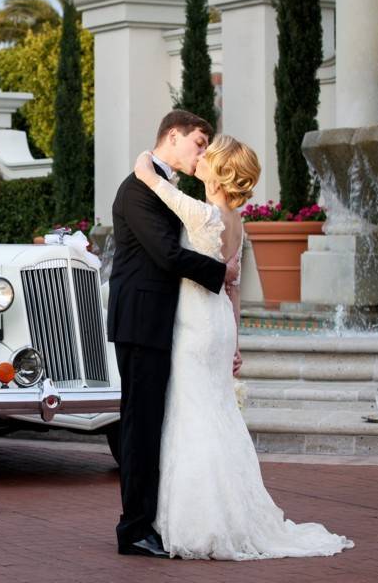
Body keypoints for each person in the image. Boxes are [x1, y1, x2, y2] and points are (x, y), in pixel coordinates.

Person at [133, 134, 354, 560]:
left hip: (194, 328)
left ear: (218, 173)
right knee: (217, 414)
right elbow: (233, 290)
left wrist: (150, 157)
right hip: (216, 326)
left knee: (191, 416)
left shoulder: (202, 215)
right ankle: (232, 514)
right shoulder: (237, 223)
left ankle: (202, 522)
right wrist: (236, 342)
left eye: (207, 156)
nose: (200, 159)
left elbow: (149, 176)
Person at [107, 110, 238, 558]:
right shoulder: (137, 188)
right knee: (139, 426)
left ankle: (153, 518)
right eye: (199, 143)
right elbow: (165, 254)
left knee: (154, 424)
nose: (202, 152)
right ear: (173, 135)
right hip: (141, 322)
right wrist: (222, 272)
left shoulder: (161, 184)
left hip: (164, 321)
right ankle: (134, 529)